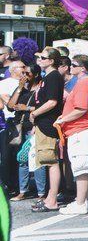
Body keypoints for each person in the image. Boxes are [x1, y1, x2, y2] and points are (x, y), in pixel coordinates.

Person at [53, 55, 88, 214]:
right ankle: (84, 200)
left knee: (81, 167)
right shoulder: (87, 82)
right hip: (85, 129)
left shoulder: (82, 83)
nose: (70, 67)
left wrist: (63, 119)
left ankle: (80, 203)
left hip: (82, 129)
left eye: (73, 65)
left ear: (82, 68)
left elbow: (81, 109)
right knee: (85, 167)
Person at [30, 48, 66, 213]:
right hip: (41, 123)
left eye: (43, 58)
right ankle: (49, 196)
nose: (39, 60)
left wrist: (35, 113)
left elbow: (52, 102)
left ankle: (52, 199)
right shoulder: (47, 77)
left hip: (48, 123)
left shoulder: (53, 77)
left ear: (51, 61)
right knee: (46, 161)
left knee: (51, 161)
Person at [8, 63, 47, 201]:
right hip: (21, 127)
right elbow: (10, 106)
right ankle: (22, 190)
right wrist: (19, 88)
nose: (24, 76)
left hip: (35, 127)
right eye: (23, 73)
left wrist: (27, 108)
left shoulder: (41, 89)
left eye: (28, 73)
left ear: (36, 75)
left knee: (36, 159)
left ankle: (41, 193)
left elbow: (45, 106)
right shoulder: (22, 90)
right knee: (22, 159)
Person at [0, 55, 24, 194]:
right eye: (22, 67)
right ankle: (8, 184)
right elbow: (10, 103)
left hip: (25, 122)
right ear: (14, 70)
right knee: (7, 155)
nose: (25, 69)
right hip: (10, 123)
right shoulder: (5, 83)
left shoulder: (28, 83)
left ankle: (20, 184)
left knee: (19, 156)